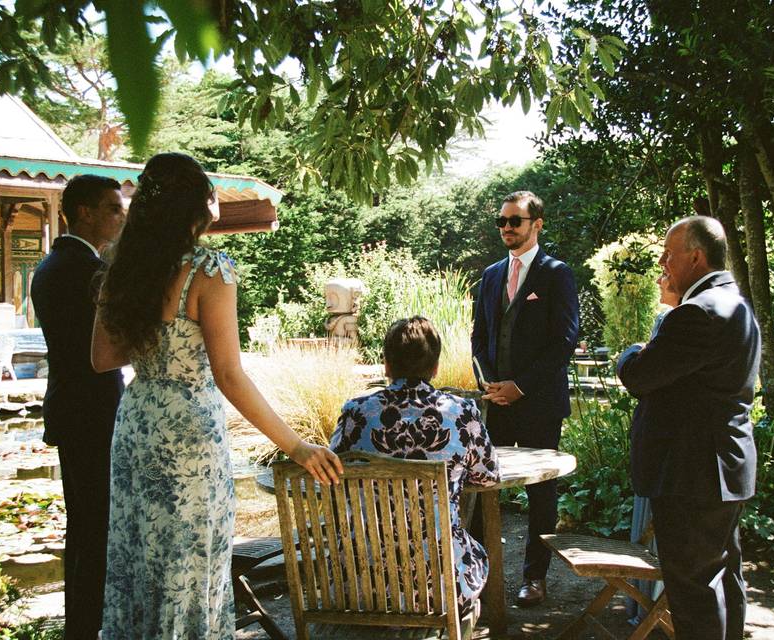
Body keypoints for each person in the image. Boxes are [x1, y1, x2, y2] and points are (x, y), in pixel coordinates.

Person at [91, 152, 342, 639]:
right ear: (198, 205)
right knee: (189, 561)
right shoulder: (209, 269)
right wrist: (296, 445)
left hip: (138, 422)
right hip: (187, 433)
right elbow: (229, 375)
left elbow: (102, 358)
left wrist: (151, 332)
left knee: (138, 560)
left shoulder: (122, 267)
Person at [617, 216, 761, 639]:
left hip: (693, 472)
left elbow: (640, 376)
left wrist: (630, 353)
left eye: (669, 253)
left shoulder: (697, 313)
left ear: (696, 257)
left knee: (693, 591)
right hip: (720, 469)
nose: (662, 262)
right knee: (724, 579)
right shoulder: (733, 302)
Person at [330, 316, 501, 617]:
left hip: (362, 589)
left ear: (386, 364)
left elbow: (332, 476)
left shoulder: (355, 413)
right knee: (473, 550)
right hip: (441, 589)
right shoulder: (462, 413)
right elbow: (488, 477)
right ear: (435, 367)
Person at [470, 190, 579, 606]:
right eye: (502, 222)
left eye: (514, 221)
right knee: (481, 487)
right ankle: (479, 576)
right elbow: (479, 337)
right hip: (495, 402)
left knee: (541, 495)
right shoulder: (492, 274)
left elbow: (565, 340)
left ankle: (535, 578)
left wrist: (522, 387)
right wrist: (490, 385)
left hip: (539, 403)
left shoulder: (556, 274)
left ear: (537, 224)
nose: (507, 228)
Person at [30, 174, 125, 640]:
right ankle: (90, 626)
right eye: (113, 207)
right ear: (84, 212)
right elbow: (101, 348)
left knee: (86, 526)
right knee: (96, 527)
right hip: (92, 414)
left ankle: (84, 624)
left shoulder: (54, 265)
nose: (121, 215)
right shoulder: (82, 270)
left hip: (74, 410)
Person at [625, 272, 679, 624]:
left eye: (666, 273)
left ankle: (653, 610)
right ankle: (652, 608)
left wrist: (630, 354)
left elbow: (639, 373)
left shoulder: (672, 320)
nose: (660, 279)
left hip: (665, 449)